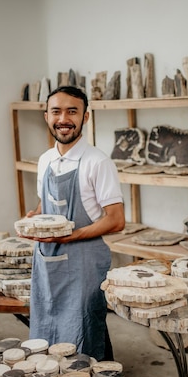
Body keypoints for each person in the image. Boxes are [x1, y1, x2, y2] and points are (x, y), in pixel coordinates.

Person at [22, 85, 125, 361]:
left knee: (85, 327)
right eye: (56, 111)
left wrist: (73, 235)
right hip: (48, 260)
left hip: (83, 261)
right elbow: (46, 204)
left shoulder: (97, 162)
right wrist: (34, 218)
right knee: (47, 321)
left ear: (85, 117)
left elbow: (116, 221)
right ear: (46, 116)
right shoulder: (45, 160)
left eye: (72, 111)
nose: (63, 119)